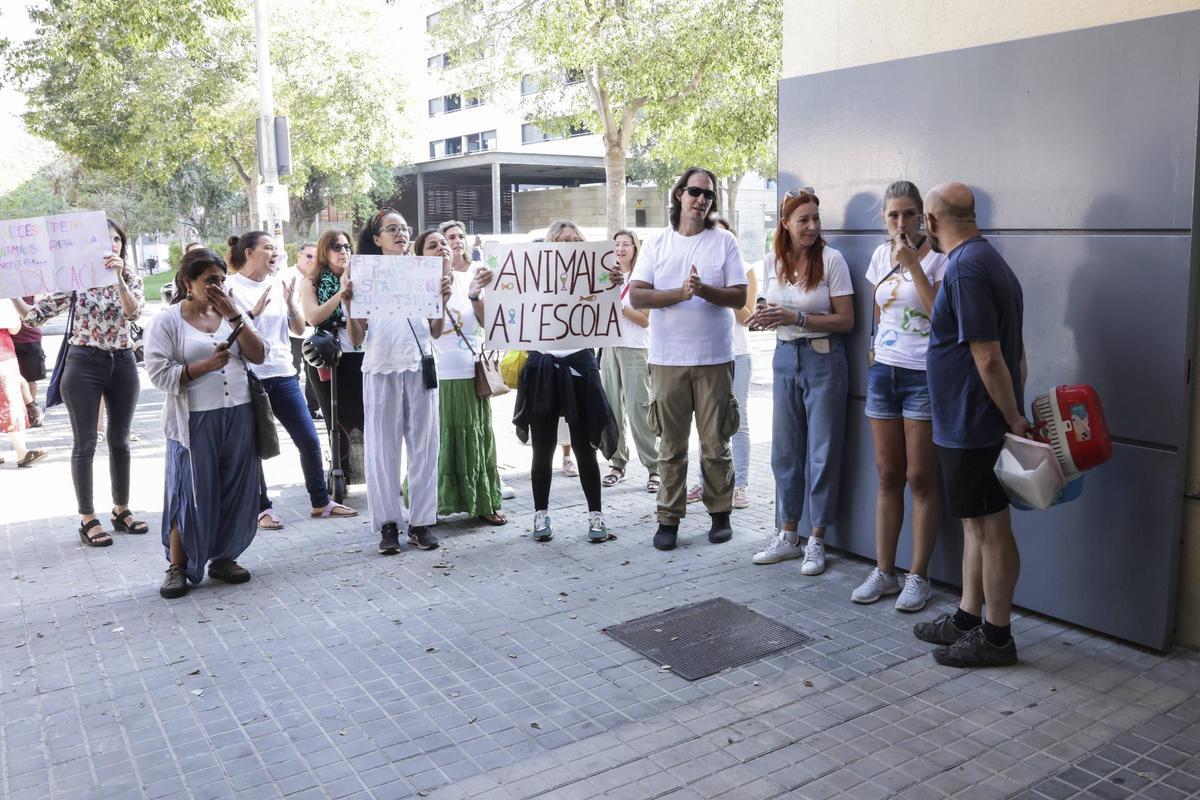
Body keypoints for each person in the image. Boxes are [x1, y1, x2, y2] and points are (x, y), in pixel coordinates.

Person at [913, 182, 1026, 668]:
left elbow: (990, 357)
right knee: (974, 524)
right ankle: (967, 616)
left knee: (990, 526)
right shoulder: (988, 260)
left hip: (974, 420)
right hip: (968, 419)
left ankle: (997, 636)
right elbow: (1015, 352)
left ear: (934, 224)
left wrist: (1013, 418)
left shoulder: (964, 269)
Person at [629, 168, 748, 551]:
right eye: (694, 191)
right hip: (667, 359)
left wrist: (703, 290)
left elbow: (738, 296)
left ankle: (720, 514)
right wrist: (680, 294)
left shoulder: (724, 241)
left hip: (714, 358)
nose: (701, 200)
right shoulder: (656, 243)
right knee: (671, 447)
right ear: (679, 194)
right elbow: (638, 296)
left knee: (716, 444)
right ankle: (668, 519)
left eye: (708, 195)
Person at [14, 218, 148, 547]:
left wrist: (118, 278)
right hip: (84, 362)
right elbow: (34, 317)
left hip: (123, 361)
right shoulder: (73, 280)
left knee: (120, 439)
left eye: (118, 240)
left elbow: (133, 313)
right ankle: (88, 518)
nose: (113, 245)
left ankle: (121, 509)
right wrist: (11, 289)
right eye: (107, 240)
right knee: (85, 442)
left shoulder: (130, 277)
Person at [144, 247, 268, 598]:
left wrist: (235, 316)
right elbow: (157, 372)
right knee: (189, 490)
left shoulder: (233, 311)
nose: (217, 286)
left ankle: (225, 557)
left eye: (221, 279)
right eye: (209, 280)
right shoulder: (168, 320)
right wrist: (203, 367)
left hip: (239, 412)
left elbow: (258, 355)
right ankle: (178, 566)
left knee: (235, 488)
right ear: (188, 282)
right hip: (194, 419)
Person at [852, 181, 947, 611]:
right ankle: (884, 571)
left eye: (909, 214)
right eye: (893, 215)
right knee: (888, 474)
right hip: (884, 373)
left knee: (920, 478)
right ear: (884, 219)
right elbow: (878, 311)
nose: (901, 223)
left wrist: (914, 267)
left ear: (924, 216)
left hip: (923, 375)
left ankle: (919, 576)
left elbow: (941, 317)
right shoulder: (878, 255)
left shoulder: (942, 259)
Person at [747, 189, 854, 574]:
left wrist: (798, 319)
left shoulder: (832, 260)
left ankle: (817, 539)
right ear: (785, 223)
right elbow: (766, 303)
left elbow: (846, 320)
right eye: (803, 220)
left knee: (823, 453)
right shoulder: (772, 260)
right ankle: (788, 534)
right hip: (783, 358)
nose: (812, 226)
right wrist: (761, 316)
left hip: (824, 358)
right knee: (785, 452)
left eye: (815, 218)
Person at [226, 232, 357, 530]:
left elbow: (299, 328)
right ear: (249, 253)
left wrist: (290, 303)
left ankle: (320, 501)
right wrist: (251, 314)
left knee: (309, 440)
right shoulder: (230, 288)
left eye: (276, 248)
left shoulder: (279, 283)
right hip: (250, 377)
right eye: (268, 248)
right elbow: (227, 335)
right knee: (252, 447)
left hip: (283, 373)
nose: (275, 253)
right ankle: (262, 508)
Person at [514, 219, 620, 543]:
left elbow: (609, 308)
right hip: (544, 366)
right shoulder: (533, 278)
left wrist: (615, 282)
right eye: (561, 239)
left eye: (574, 239)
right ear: (549, 244)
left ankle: (596, 517)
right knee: (542, 449)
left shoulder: (596, 277)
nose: (568, 244)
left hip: (579, 365)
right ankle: (540, 515)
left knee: (585, 447)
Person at [349, 224, 452, 554]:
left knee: (424, 445)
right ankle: (388, 524)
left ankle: (421, 522)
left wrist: (442, 299)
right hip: (380, 366)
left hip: (419, 364)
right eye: (391, 229)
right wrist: (350, 304)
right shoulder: (364, 273)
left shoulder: (423, 271)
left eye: (404, 229)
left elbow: (435, 330)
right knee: (382, 449)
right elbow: (354, 338)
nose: (400, 234)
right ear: (377, 239)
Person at [431, 219, 508, 524]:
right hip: (435, 374)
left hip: (469, 370)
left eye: (454, 239)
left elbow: (489, 323)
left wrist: (476, 296)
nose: (450, 244)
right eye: (438, 242)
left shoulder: (470, 280)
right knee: (438, 440)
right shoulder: (419, 283)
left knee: (476, 438)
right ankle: (431, 503)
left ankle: (483, 502)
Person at [684, 217, 756, 509]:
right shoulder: (698, 269)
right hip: (706, 354)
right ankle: (706, 482)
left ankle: (740, 485)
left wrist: (718, 291)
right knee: (706, 424)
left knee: (738, 422)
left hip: (737, 353)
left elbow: (747, 314)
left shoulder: (746, 270)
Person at [299, 229, 366, 485]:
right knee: (335, 415)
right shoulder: (311, 281)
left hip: (361, 351)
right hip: (327, 355)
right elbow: (313, 317)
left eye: (347, 246)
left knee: (363, 413)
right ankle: (341, 470)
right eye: (336, 247)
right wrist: (341, 293)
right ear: (324, 252)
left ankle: (362, 469)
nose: (343, 252)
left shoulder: (363, 277)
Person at [599, 229, 660, 493]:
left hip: (635, 349)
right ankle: (617, 463)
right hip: (609, 347)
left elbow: (645, 319)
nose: (621, 249)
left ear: (636, 248)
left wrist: (618, 303)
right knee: (612, 409)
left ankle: (654, 467)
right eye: (617, 244)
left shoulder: (642, 278)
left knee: (639, 409)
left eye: (626, 244)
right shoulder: (605, 276)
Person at [0, 301, 46, 467]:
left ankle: (22, 451)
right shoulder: (4, 293)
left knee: (11, 402)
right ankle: (21, 451)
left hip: (5, 355)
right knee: (12, 403)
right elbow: (14, 327)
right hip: (4, 355)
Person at [287, 241, 322, 419]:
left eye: (315, 256)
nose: (312, 260)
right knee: (293, 369)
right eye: (309, 256)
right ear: (299, 257)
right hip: (292, 331)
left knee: (314, 372)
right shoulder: (286, 275)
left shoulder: (319, 275)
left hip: (314, 332)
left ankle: (312, 408)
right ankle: (294, 408)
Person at [12, 297, 45, 427]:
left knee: (30, 378)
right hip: (8, 341)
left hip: (30, 339)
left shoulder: (31, 283)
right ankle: (25, 411)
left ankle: (30, 412)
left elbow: (41, 308)